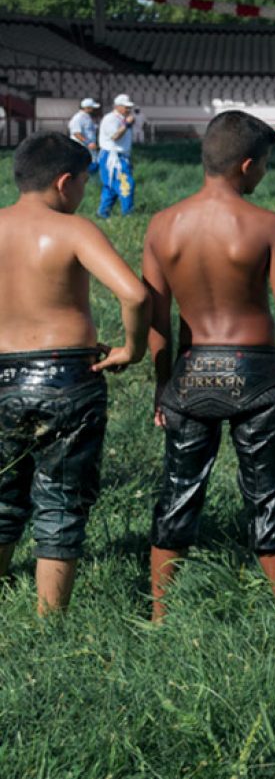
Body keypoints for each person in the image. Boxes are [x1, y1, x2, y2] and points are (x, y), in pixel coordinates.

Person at [142, 112, 275, 622]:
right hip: (253, 368)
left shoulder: (162, 226)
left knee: (178, 490)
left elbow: (159, 320)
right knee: (268, 492)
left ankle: (160, 612)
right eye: (264, 165)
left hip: (191, 367)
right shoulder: (266, 224)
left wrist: (163, 384)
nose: (263, 174)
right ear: (247, 166)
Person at [0, 134, 148, 614]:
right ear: (65, 183)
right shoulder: (74, 229)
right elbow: (135, 294)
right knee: (60, 498)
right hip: (67, 377)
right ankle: (50, 621)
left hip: (2, 376)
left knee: (3, 495)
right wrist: (133, 348)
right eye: (86, 182)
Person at [96, 94, 138, 219]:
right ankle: (128, 213)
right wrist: (127, 124)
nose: (128, 110)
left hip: (120, 156)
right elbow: (115, 136)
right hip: (112, 157)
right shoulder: (111, 119)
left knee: (111, 187)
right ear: (118, 106)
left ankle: (103, 213)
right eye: (126, 107)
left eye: (129, 107)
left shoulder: (121, 119)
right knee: (126, 184)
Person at [68, 98, 100, 168]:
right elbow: (76, 133)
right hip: (82, 147)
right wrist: (88, 143)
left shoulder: (87, 117)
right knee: (84, 168)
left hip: (90, 148)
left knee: (94, 165)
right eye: (92, 108)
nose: (94, 110)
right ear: (87, 108)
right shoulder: (78, 118)